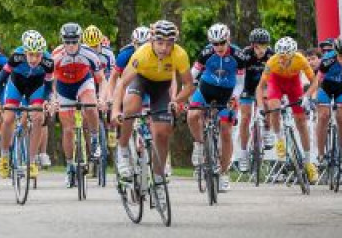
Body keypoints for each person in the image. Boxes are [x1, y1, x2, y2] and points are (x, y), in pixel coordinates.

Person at [113, 20, 194, 200]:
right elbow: (121, 84)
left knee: (162, 133)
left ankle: (158, 181)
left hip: (161, 88)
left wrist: (177, 100)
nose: (164, 48)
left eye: (169, 43)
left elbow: (189, 85)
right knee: (131, 106)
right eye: (160, 43)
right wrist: (114, 111)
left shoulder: (179, 55)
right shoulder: (142, 54)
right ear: (152, 41)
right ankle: (123, 148)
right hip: (140, 82)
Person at [187, 23, 247, 192]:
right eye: (215, 43)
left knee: (226, 131)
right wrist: (187, 91)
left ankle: (224, 173)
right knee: (192, 116)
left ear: (228, 39)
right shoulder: (206, 53)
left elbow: (241, 82)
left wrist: (235, 97)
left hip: (227, 93)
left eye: (222, 42)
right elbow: (193, 74)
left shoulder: (239, 55)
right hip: (206, 89)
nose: (219, 47)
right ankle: (199, 145)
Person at [255, 36, 319, 183]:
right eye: (280, 57)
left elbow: (314, 81)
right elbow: (260, 87)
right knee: (274, 107)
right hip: (276, 82)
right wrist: (259, 107)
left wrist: (307, 96)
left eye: (285, 58)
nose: (281, 60)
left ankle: (309, 163)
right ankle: (279, 140)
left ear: (292, 55)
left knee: (301, 122)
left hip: (293, 84)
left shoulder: (301, 59)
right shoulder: (272, 62)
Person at [53, 23, 106, 187]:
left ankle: (95, 140)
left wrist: (102, 98)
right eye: (67, 42)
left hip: (84, 83)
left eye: (74, 42)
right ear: (62, 41)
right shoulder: (55, 56)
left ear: (80, 40)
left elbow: (102, 80)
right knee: (68, 129)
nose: (70, 45)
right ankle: (69, 166)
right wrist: (53, 99)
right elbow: (48, 81)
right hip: (63, 88)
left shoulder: (89, 54)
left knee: (90, 104)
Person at [0, 30, 53, 180]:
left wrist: (47, 100)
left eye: (38, 55)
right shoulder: (16, 56)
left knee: (38, 118)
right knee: (8, 118)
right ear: (25, 52)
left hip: (36, 86)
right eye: (30, 54)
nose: (34, 59)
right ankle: (4, 157)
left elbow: (48, 85)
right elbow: (1, 80)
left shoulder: (48, 61)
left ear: (43, 53)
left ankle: (32, 160)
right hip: (17, 84)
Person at [306, 36, 342, 167]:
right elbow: (317, 82)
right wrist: (312, 97)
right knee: (323, 116)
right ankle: (320, 153)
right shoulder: (327, 60)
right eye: (340, 56)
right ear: (336, 53)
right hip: (326, 87)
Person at [237, 28, 274, 172]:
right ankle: (244, 153)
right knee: (245, 118)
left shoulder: (271, 55)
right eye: (258, 46)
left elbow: (274, 77)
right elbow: (238, 76)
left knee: (267, 103)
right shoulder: (245, 55)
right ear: (253, 45)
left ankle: (267, 131)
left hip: (264, 86)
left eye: (264, 45)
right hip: (247, 87)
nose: (261, 49)